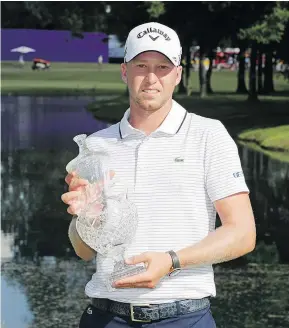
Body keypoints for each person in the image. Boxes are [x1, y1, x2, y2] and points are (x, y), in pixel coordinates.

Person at [61, 22, 256, 328]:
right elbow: (84, 250)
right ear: (125, 71)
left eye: (163, 67)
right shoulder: (97, 145)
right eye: (141, 66)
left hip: (185, 317)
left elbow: (243, 233)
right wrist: (85, 218)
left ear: (177, 74)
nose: (151, 78)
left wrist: (171, 261)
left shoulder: (208, 135)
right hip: (106, 317)